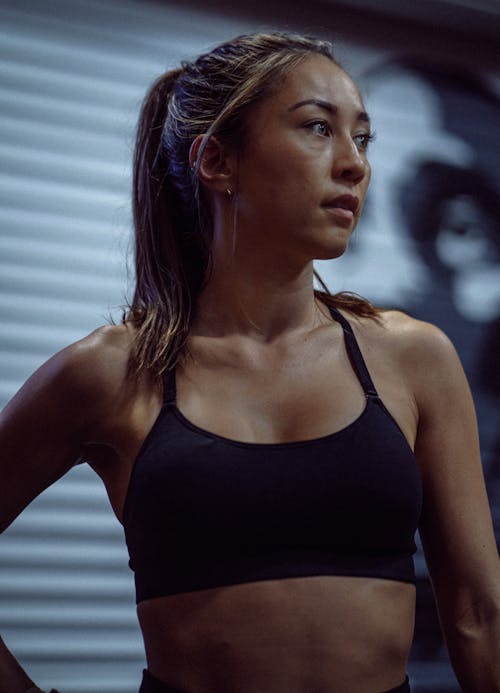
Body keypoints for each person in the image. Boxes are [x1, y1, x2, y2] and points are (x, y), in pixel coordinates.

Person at [1, 31, 499, 693]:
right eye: (319, 128)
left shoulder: (412, 357)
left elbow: (476, 612)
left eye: (362, 137)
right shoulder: (113, 370)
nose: (354, 164)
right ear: (218, 162)